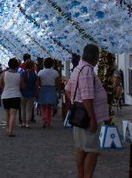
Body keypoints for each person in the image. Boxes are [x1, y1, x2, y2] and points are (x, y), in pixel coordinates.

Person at [65, 44, 110, 178]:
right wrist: (93, 118)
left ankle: (81, 175)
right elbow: (87, 97)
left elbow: (68, 90)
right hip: (88, 117)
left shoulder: (78, 68)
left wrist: (75, 102)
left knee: (81, 148)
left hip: (80, 115)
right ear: (95, 57)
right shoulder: (87, 71)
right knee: (92, 150)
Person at [0, 58, 25, 137]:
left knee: (7, 113)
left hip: (5, 95)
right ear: (17, 65)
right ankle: (11, 131)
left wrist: (4, 87)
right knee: (13, 114)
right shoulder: (19, 75)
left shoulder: (4, 74)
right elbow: (23, 86)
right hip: (16, 95)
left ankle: (7, 128)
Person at [37, 57, 60, 128]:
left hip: (43, 89)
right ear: (52, 64)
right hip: (52, 89)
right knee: (49, 106)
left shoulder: (40, 72)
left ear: (44, 64)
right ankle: (49, 122)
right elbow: (57, 83)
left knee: (43, 105)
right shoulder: (55, 72)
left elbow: (38, 83)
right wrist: (58, 91)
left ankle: (44, 119)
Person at [20, 60, 38, 128]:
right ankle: (28, 123)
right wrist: (36, 93)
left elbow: (21, 84)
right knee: (29, 109)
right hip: (31, 93)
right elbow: (36, 85)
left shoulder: (22, 74)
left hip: (23, 93)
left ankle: (23, 122)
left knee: (23, 109)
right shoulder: (35, 75)